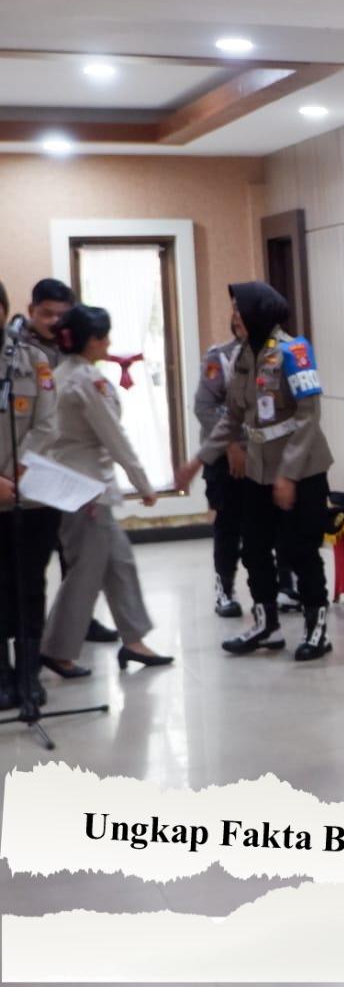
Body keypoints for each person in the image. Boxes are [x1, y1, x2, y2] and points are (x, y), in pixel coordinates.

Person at [176, 282, 334, 661]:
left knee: (300, 550)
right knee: (255, 549)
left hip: (301, 472)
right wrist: (199, 460)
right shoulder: (245, 354)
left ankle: (316, 630)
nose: (234, 316)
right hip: (258, 471)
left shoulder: (294, 351)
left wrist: (288, 475)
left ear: (258, 313)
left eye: (239, 309)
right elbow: (233, 416)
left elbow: (308, 418)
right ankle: (266, 625)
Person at [39, 305, 172, 673]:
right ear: (90, 341)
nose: (109, 343)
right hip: (86, 491)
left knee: (120, 564)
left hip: (79, 487)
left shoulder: (62, 374)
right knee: (86, 572)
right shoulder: (85, 381)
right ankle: (56, 648)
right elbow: (114, 436)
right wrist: (143, 483)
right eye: (104, 337)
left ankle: (134, 641)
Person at [22, 278, 120, 656]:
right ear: (31, 311)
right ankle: (31, 639)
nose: (53, 321)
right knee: (32, 561)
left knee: (75, 556)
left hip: (68, 470)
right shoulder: (18, 350)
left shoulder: (70, 348)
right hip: (30, 467)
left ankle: (80, 621)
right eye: (46, 313)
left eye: (61, 315)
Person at [0, 282, 61, 708]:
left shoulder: (33, 360)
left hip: (30, 495)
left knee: (29, 585)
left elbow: (48, 424)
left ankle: (28, 673)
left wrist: (17, 471)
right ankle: (1, 675)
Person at [194, 312, 249, 618]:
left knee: (269, 523)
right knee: (228, 524)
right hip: (224, 457)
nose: (237, 318)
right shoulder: (219, 358)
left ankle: (282, 586)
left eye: (245, 312)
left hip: (263, 457)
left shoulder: (275, 355)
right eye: (235, 312)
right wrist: (231, 445)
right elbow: (204, 408)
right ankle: (225, 588)